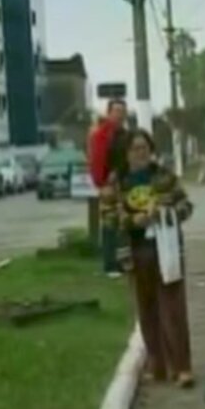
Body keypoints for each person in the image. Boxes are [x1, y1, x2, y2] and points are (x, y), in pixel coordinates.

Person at [100, 128, 195, 388]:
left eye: (145, 148)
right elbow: (107, 214)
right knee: (146, 309)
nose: (141, 153)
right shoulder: (117, 182)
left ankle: (182, 367)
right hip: (134, 251)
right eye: (135, 149)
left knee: (173, 308)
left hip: (166, 250)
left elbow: (186, 207)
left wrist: (166, 212)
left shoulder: (164, 176)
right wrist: (133, 220)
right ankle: (158, 365)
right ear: (126, 152)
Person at [88, 99, 128, 277]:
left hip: (124, 183)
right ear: (109, 112)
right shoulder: (102, 134)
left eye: (122, 111)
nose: (120, 114)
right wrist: (101, 182)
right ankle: (109, 264)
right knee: (110, 224)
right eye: (116, 111)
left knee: (124, 224)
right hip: (108, 185)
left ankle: (122, 262)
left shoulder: (125, 134)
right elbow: (96, 160)